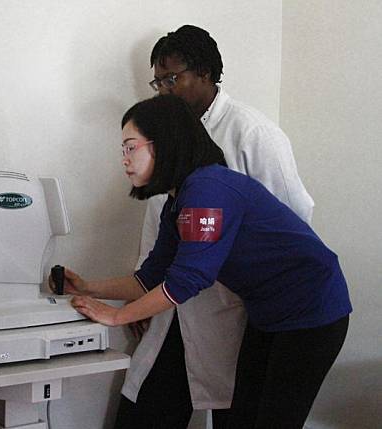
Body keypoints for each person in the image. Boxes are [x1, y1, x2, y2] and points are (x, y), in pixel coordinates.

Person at [53, 95, 351, 428]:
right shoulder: (178, 200)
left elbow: (188, 279)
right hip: (268, 314)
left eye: (130, 147)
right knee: (242, 416)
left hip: (312, 311)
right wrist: (88, 286)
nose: (124, 159)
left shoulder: (208, 188)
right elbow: (150, 276)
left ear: (163, 143)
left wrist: (118, 316)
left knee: (270, 419)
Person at [117, 25, 315, 428]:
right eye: (158, 82)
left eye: (173, 79)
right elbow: (161, 224)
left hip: (234, 308)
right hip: (173, 297)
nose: (164, 91)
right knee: (146, 410)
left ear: (205, 73)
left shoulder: (253, 134)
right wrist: (140, 292)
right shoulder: (167, 136)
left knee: (237, 414)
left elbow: (293, 220)